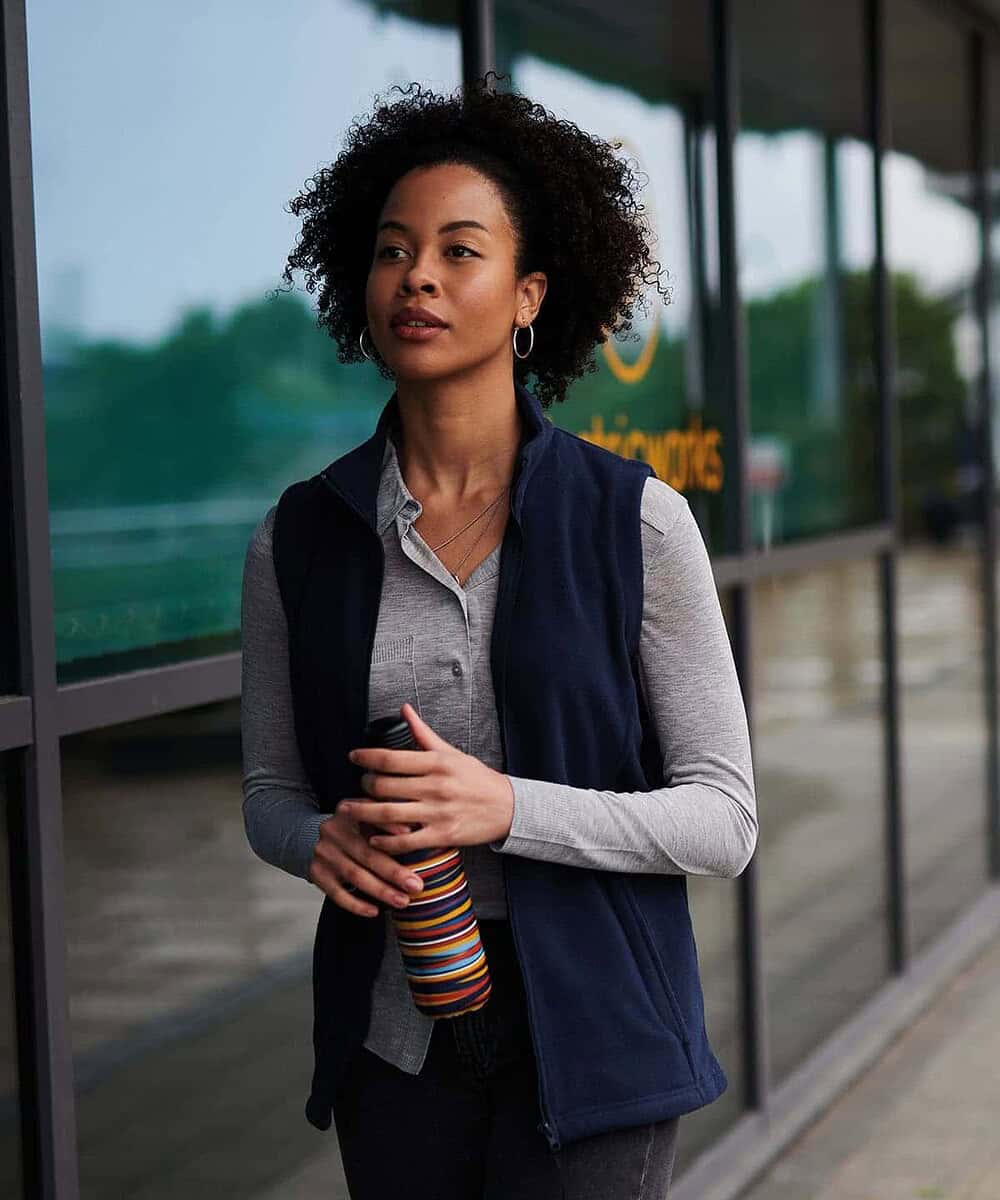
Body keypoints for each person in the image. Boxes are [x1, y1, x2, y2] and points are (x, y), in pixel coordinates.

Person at [240, 73, 757, 1199]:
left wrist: (505, 807)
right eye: (391, 250)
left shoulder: (635, 521)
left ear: (528, 295)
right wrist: (315, 842)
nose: (416, 274)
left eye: (458, 251)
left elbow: (723, 820)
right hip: (396, 1041)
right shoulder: (300, 537)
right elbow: (271, 794)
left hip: (599, 1043)